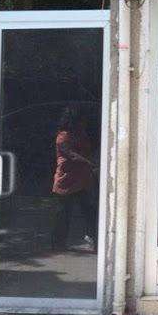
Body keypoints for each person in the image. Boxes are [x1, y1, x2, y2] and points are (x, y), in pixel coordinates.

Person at [51, 105, 98, 251]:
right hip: (66, 178)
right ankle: (58, 243)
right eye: (81, 120)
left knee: (89, 210)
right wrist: (89, 163)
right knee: (63, 213)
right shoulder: (63, 136)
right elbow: (70, 154)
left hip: (82, 178)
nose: (84, 123)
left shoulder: (81, 134)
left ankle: (94, 238)